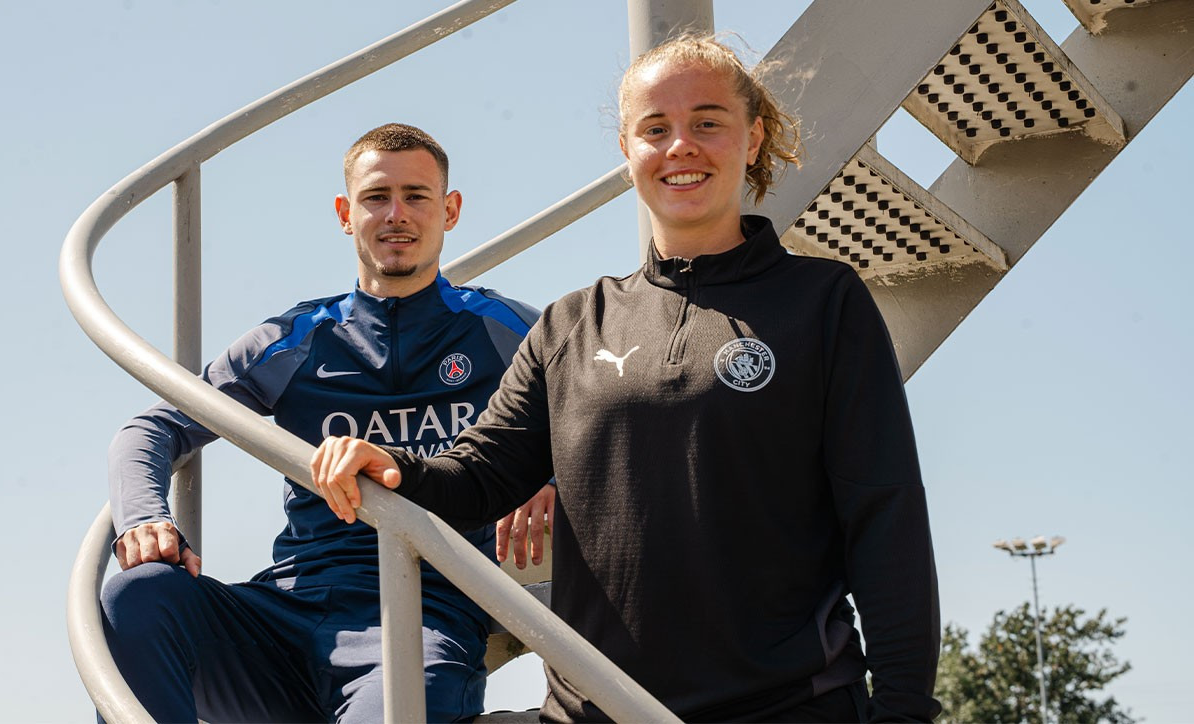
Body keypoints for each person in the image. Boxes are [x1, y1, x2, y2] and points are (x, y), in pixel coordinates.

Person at [312, 37, 941, 723]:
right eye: (655, 128)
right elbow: (481, 476)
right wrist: (395, 466)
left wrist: (904, 707)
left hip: (787, 707)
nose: (680, 147)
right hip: (594, 710)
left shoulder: (824, 302)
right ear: (626, 149)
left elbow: (886, 519)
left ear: (753, 137)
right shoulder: (573, 323)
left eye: (707, 121)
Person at [99, 123, 555, 723]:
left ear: (450, 211)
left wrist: (553, 469)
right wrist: (146, 519)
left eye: (417, 196)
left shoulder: (508, 330)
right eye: (376, 197)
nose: (397, 215)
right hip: (286, 612)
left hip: (421, 617)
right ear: (346, 212)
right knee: (137, 593)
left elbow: (608, 417)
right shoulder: (295, 340)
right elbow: (153, 429)